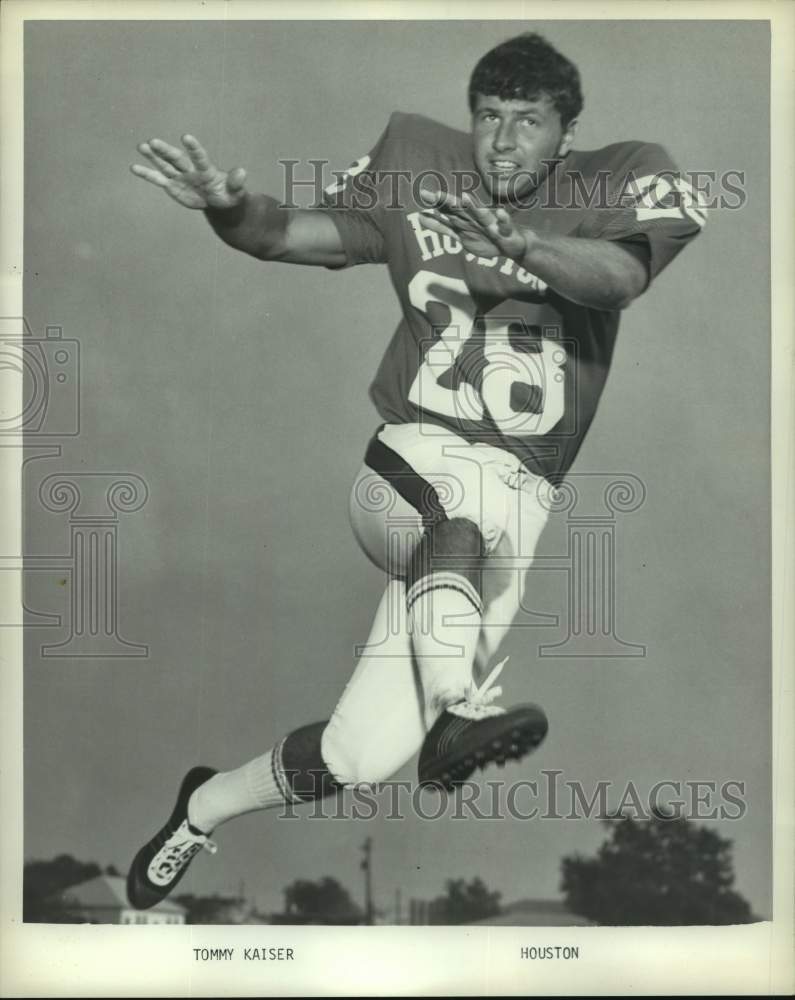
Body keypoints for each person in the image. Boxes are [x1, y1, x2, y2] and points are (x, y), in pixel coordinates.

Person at [126, 32, 705, 909]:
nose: (503, 141)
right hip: (413, 459)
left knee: (354, 761)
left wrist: (528, 247)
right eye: (487, 117)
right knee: (457, 520)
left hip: (520, 503)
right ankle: (455, 714)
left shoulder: (621, 178)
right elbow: (284, 235)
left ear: (566, 133)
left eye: (527, 121)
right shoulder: (417, 163)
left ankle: (200, 807)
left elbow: (620, 278)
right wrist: (225, 208)